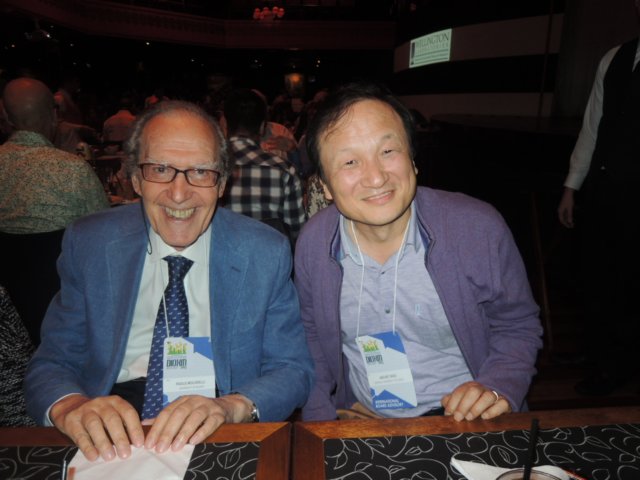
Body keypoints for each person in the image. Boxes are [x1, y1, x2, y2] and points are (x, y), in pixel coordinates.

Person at [24, 100, 314, 462]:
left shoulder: (264, 251)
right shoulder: (90, 243)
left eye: (201, 172)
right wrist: (71, 406)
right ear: (135, 179)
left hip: (218, 415)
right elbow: (52, 362)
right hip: (110, 417)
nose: (179, 194)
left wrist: (233, 406)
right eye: (160, 169)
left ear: (222, 182)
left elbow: (292, 368)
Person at [295, 82, 542, 422]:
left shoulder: (477, 228)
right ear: (324, 184)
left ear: (412, 159)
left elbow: (517, 324)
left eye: (388, 151)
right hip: (362, 418)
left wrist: (496, 385)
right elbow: (311, 338)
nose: (376, 178)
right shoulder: (314, 243)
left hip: (465, 420)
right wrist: (324, 419)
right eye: (350, 161)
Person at [557, 1, 640, 396]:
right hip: (604, 190)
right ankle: (597, 354)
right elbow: (592, 128)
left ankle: (618, 365)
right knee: (596, 276)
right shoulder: (614, 58)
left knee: (630, 282)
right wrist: (572, 186)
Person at [0, 77, 108, 234]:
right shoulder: (74, 170)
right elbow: (104, 228)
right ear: (54, 115)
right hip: (61, 251)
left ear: (7, 117)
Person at [222, 88, 306, 242]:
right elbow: (298, 233)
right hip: (271, 254)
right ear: (262, 127)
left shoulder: (210, 166)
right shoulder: (283, 170)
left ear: (225, 124)